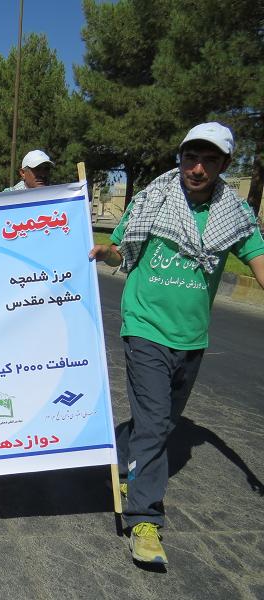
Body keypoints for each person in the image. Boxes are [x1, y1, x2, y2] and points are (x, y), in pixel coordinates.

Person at [89, 122, 264, 566]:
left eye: (209, 160)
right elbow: (121, 250)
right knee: (154, 425)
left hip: (192, 337)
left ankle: (115, 454)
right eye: (191, 157)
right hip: (144, 327)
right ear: (181, 158)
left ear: (224, 165)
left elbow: (259, 260)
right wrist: (106, 254)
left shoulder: (233, 216)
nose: (197, 168)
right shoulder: (153, 201)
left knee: (162, 422)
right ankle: (144, 519)